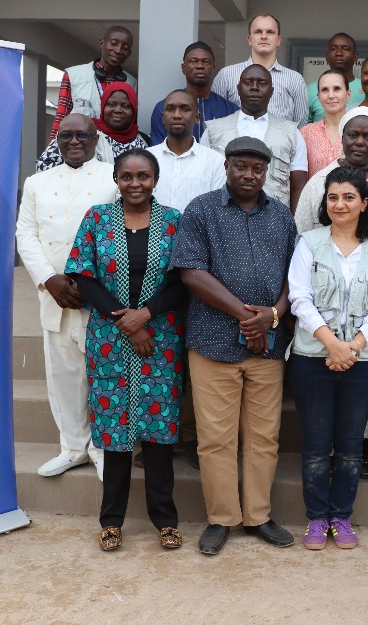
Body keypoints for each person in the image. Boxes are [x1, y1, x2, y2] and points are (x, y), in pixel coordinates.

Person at [173, 136, 298, 556]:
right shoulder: (201, 210)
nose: (249, 175)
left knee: (264, 437)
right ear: (226, 166)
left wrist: (273, 316)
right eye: (241, 167)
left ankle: (258, 516)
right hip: (212, 343)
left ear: (267, 173)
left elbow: (292, 279)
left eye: (257, 169)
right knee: (215, 439)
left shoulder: (281, 216)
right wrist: (249, 317)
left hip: (267, 347)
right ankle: (221, 518)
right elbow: (190, 272)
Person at [64, 149, 186, 552]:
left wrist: (145, 315)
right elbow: (83, 276)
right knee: (114, 433)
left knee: (158, 434)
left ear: (155, 179)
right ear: (116, 179)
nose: (135, 184)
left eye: (144, 176)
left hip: (160, 341)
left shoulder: (173, 221)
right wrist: (127, 322)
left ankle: (165, 520)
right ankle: (111, 521)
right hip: (110, 341)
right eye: (127, 177)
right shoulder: (97, 219)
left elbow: (183, 280)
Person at [288, 167, 368, 550]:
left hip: (362, 362)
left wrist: (353, 347)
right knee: (317, 445)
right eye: (333, 197)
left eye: (349, 197)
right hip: (313, 357)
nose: (340, 204)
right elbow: (299, 298)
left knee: (350, 446)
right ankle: (316, 519)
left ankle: (342, 518)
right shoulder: (309, 243)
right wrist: (333, 344)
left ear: (364, 203)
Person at [294, 107, 368, 478]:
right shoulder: (319, 182)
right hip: (324, 295)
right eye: (353, 135)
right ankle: (327, 446)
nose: (360, 141)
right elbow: (304, 230)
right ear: (341, 137)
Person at [15, 114, 117, 480]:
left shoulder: (113, 175)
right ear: (57, 141)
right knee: (63, 377)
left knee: (103, 375)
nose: (75, 142)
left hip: (101, 296)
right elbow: (25, 233)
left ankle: (104, 447)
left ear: (95, 139)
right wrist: (49, 279)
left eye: (83, 136)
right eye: (67, 136)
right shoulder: (37, 182)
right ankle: (73, 448)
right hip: (54, 296)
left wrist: (91, 285)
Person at [147, 90, 227, 469]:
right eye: (171, 109)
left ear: (198, 116)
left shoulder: (214, 162)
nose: (177, 114)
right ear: (162, 116)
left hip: (199, 271)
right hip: (150, 271)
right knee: (156, 354)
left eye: (185, 109)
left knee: (194, 353)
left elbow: (214, 215)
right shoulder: (146, 160)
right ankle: (150, 437)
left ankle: (193, 436)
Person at [201, 64, 308, 211]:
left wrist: (295, 226)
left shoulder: (292, 133)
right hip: (222, 220)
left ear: (271, 91)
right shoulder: (213, 131)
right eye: (248, 82)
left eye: (262, 83)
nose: (255, 88)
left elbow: (298, 187)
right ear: (238, 89)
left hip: (274, 223)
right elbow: (203, 181)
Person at [212, 13, 308, 125]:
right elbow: (216, 122)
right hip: (235, 142)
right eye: (258, 31)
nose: (264, 36)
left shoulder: (295, 79)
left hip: (280, 142)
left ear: (278, 40)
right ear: (249, 39)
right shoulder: (226, 75)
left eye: (270, 32)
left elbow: (300, 127)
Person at [48, 25, 136, 144]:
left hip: (115, 150)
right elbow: (61, 119)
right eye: (114, 43)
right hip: (80, 149)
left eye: (125, 48)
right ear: (102, 43)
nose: (118, 50)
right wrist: (52, 151)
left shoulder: (131, 83)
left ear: (129, 53)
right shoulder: (74, 75)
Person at [37, 82, 146, 172]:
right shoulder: (83, 132)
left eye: (126, 106)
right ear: (103, 107)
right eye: (111, 104)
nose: (118, 110)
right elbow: (43, 166)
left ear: (134, 110)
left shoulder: (143, 143)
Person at [149, 42, 239, 146]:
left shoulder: (230, 109)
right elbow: (158, 151)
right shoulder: (163, 108)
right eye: (193, 61)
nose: (200, 66)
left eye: (206, 62)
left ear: (213, 68)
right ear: (183, 68)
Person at [307, 33, 364, 122]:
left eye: (345, 49)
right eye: (333, 49)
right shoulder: (310, 90)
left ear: (355, 57)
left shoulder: (365, 88)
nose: (339, 53)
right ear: (326, 56)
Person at [301, 70, 348, 177]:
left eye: (337, 89)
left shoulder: (358, 132)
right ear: (318, 97)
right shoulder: (306, 133)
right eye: (325, 90)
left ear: (348, 94)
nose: (331, 95)